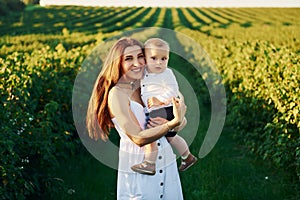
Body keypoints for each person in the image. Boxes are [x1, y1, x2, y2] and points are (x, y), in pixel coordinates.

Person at [86, 37, 186, 199]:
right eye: (129, 58)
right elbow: (138, 138)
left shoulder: (146, 86)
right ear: (117, 63)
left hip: (166, 163)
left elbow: (179, 121)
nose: (137, 63)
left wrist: (177, 120)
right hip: (138, 165)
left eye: (140, 57)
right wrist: (172, 123)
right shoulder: (116, 94)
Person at [131, 38, 198, 175]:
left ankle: (150, 163)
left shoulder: (166, 73)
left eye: (163, 59)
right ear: (146, 58)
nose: (159, 63)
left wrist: (159, 101)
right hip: (159, 109)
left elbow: (173, 90)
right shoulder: (145, 72)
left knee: (150, 134)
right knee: (171, 137)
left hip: (164, 108)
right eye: (154, 58)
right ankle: (187, 156)